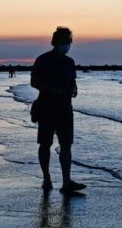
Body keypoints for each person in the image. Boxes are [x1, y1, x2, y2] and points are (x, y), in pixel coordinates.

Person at [31, 26, 85, 193]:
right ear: (56, 42)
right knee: (45, 144)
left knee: (66, 145)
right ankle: (47, 179)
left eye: (69, 42)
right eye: (66, 42)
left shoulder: (70, 62)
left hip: (65, 109)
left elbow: (73, 83)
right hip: (46, 108)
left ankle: (66, 181)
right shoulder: (42, 60)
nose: (68, 45)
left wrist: (73, 89)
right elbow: (34, 82)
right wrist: (53, 90)